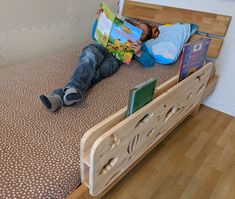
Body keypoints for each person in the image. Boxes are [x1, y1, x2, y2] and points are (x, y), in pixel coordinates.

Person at [39, 10, 159, 112]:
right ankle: (70, 91)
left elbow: (149, 63)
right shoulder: (120, 28)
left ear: (144, 39)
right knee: (88, 58)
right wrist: (99, 20)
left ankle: (59, 97)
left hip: (115, 59)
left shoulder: (141, 46)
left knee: (97, 73)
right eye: (138, 27)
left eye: (142, 32)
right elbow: (94, 35)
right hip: (100, 48)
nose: (138, 29)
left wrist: (139, 52)